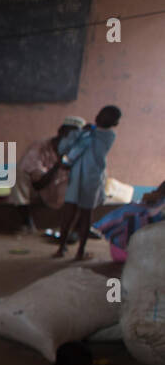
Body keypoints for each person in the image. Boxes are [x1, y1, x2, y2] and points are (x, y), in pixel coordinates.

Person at [55, 105, 121, 260]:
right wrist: (80, 132)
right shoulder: (86, 133)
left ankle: (80, 251)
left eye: (106, 116)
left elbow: (87, 143)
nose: (100, 117)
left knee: (85, 215)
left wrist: (83, 132)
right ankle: (61, 247)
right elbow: (65, 147)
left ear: (114, 123)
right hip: (76, 177)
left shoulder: (108, 136)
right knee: (68, 213)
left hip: (91, 180)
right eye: (100, 113)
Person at [13, 117, 84, 229]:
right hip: (37, 188)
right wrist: (57, 166)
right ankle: (26, 221)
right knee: (18, 173)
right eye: (69, 134)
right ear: (60, 132)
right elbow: (38, 183)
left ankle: (78, 226)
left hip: (58, 192)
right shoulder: (40, 146)